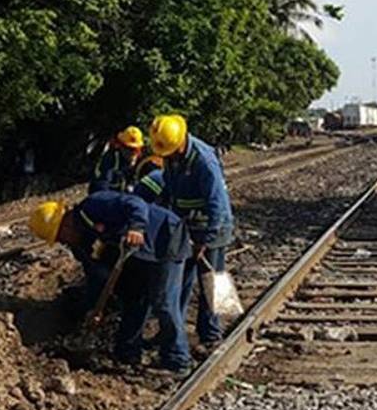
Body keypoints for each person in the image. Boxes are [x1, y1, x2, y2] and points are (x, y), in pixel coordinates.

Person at [28, 191, 191, 370]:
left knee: (164, 302)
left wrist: (136, 227)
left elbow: (136, 202)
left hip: (165, 238)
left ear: (65, 225)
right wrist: (94, 307)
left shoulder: (94, 205)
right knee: (132, 299)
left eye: (60, 237)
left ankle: (177, 360)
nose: (62, 242)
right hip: (138, 256)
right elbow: (95, 275)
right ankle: (128, 353)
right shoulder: (80, 244)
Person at [148, 115, 234, 352]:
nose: (169, 156)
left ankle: (212, 333)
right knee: (180, 280)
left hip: (213, 226)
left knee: (212, 279)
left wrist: (206, 240)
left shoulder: (204, 160)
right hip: (186, 225)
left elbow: (217, 202)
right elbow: (169, 186)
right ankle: (174, 332)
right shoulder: (171, 155)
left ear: (181, 141)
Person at [89, 126, 146, 194]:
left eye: (136, 149)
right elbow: (103, 186)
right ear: (121, 146)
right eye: (129, 148)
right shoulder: (111, 159)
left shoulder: (142, 162)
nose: (133, 153)